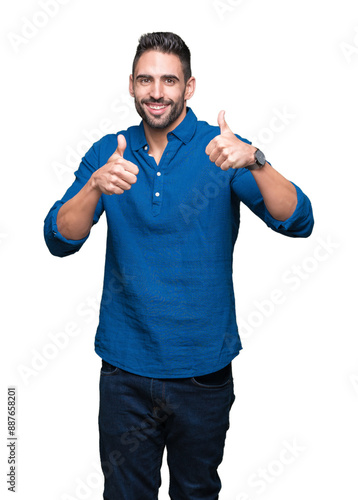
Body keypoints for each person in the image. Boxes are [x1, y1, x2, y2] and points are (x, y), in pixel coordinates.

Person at [44, 32, 314, 500]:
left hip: (202, 371)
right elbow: (58, 239)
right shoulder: (111, 152)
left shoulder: (221, 149)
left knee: (196, 493)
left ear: (189, 88)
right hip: (125, 371)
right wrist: (94, 186)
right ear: (130, 85)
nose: (156, 92)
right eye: (146, 80)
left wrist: (257, 161)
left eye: (169, 80)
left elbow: (298, 221)